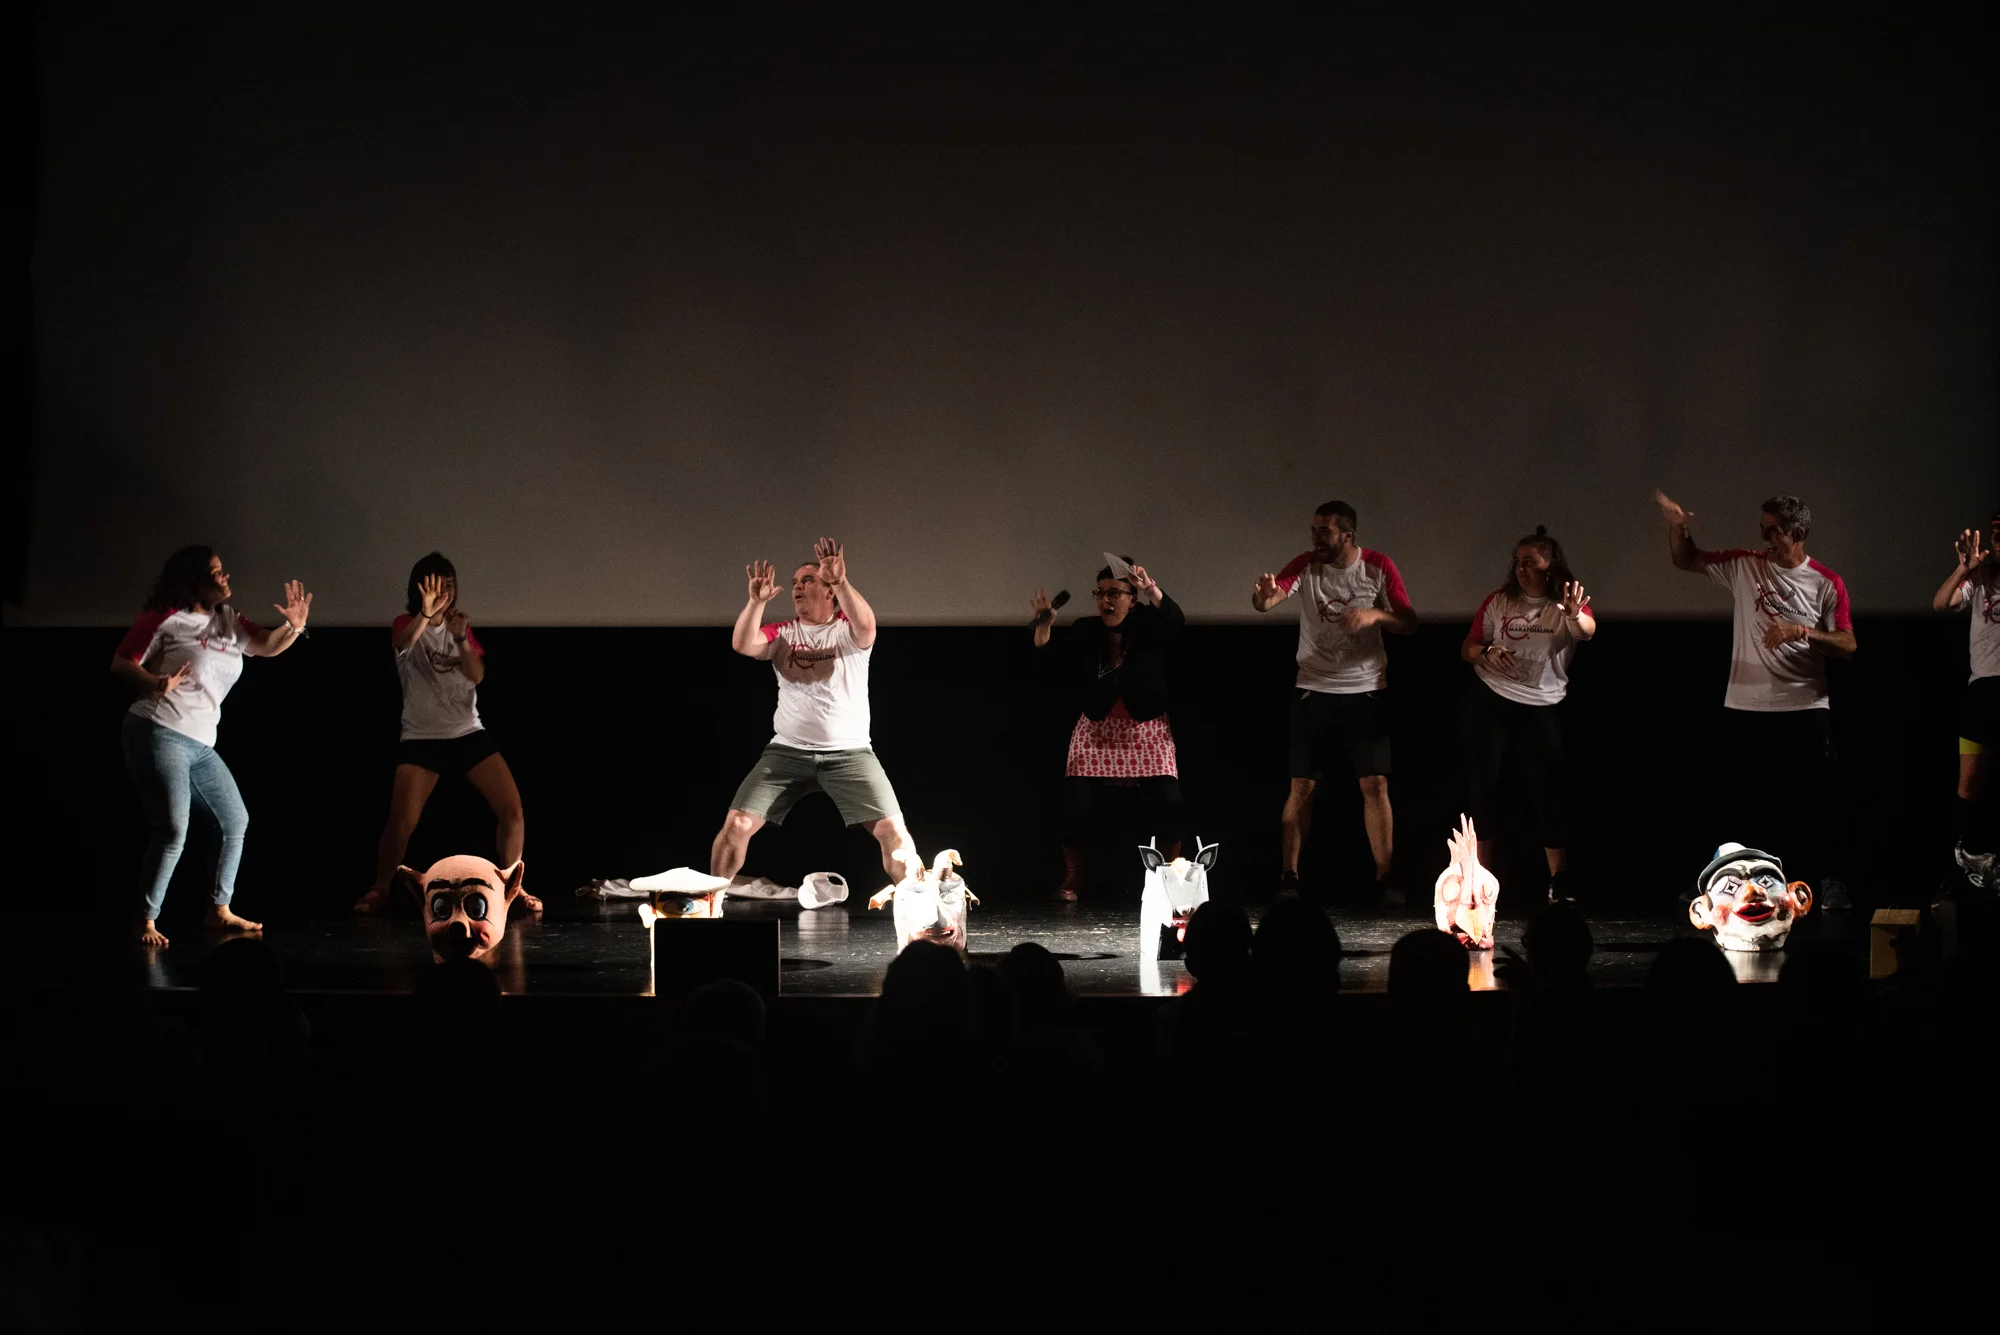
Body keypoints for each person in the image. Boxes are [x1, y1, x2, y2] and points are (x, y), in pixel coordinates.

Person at [1654, 490, 1857, 907]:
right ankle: (1712, 884)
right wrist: (1678, 527)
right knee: (1724, 799)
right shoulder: (1745, 565)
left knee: (1818, 800)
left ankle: (1831, 881)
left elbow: (1848, 644)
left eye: (1773, 531)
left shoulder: (1826, 581)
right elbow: (1686, 559)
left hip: (1804, 706)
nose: (1764, 539)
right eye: (1762, 530)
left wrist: (1802, 631)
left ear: (1796, 533)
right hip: (1744, 707)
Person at [111, 547, 312, 946]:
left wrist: (292, 627)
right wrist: (154, 683)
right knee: (173, 830)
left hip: (201, 743)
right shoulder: (166, 617)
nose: (225, 578)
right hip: (158, 729)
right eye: (217, 573)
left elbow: (268, 645)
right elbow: (120, 662)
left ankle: (218, 910)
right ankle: (144, 920)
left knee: (234, 820)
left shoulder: (229, 619)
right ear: (194, 580)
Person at [710, 538, 912, 888]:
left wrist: (841, 581)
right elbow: (743, 644)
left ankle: (917, 905)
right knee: (736, 825)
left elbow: (867, 627)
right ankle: (711, 904)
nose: (798, 587)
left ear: (828, 591)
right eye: (794, 583)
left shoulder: (846, 629)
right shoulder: (783, 633)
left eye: (807, 581)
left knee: (892, 832)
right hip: (787, 753)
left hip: (849, 754)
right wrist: (756, 603)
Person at [1252, 500, 1417, 902]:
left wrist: (1375, 616)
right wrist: (1263, 597)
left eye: (1324, 531)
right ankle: (1289, 876)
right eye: (1313, 530)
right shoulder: (1306, 565)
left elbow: (1408, 622)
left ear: (1348, 535)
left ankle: (1385, 875)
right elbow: (1267, 602)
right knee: (1301, 786)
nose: (1316, 538)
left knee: (1375, 784)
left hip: (1366, 689)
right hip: (1313, 688)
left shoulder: (1377, 566)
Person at [354, 553, 537, 915]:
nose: (446, 592)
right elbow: (404, 642)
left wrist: (461, 638)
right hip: (422, 738)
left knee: (512, 810)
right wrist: (426, 615)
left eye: (450, 585)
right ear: (421, 589)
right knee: (401, 823)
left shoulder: (460, 628)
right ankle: (380, 888)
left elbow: (477, 675)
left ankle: (512, 888)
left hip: (467, 732)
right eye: (437, 586)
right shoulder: (406, 623)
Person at [1032, 558, 1185, 901]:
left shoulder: (1150, 623)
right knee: (1075, 805)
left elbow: (1176, 619)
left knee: (1169, 802)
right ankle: (1073, 878)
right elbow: (1050, 663)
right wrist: (1044, 627)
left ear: (1133, 598)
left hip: (1145, 727)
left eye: (1115, 593)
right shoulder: (1086, 629)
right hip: (1098, 727)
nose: (1106, 600)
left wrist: (1151, 587)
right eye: (1100, 593)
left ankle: (1170, 877)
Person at [1460, 527, 1595, 904]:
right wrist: (1485, 653)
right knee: (1484, 789)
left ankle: (1559, 879)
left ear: (1550, 566)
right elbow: (1468, 647)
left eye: (1529, 563)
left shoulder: (1563, 604)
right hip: (1492, 699)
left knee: (1547, 792)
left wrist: (1574, 616)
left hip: (1541, 705)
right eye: (1517, 562)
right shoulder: (1499, 601)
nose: (1520, 569)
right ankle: (1479, 880)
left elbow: (1587, 630)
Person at [1932, 511, 2000, 887]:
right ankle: (1968, 859)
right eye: (1995, 533)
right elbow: (1940, 603)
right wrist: (1963, 568)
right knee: (1969, 785)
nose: (1998, 540)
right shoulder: (1980, 577)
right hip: (1983, 692)